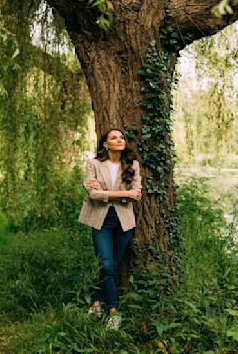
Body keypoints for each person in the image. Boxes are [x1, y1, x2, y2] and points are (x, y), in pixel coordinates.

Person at [78, 128, 142, 330]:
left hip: (124, 221)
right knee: (106, 265)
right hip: (101, 220)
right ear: (105, 144)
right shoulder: (94, 164)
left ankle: (97, 303)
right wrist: (123, 194)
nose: (119, 139)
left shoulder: (132, 165)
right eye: (114, 137)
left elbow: (137, 194)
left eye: (122, 137)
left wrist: (105, 192)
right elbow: (93, 195)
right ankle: (114, 311)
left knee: (112, 266)